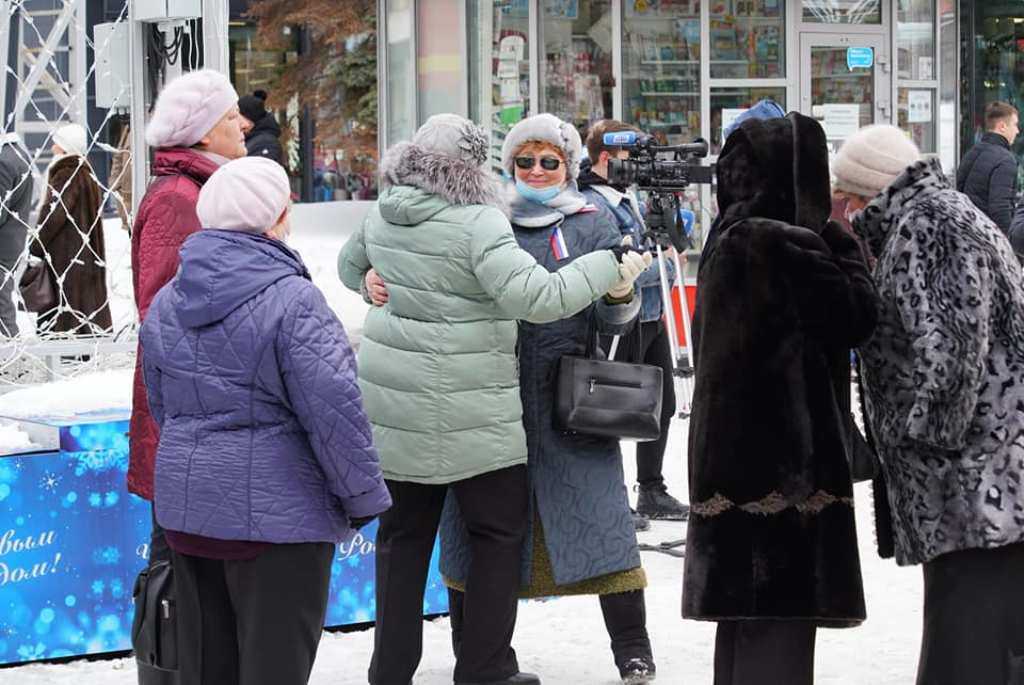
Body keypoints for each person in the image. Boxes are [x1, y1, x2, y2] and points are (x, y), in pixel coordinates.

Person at [337, 112, 647, 685]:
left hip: (398, 419)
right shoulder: (480, 222)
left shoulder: (383, 210)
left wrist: (369, 281)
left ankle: (391, 669)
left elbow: (348, 265)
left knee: (401, 544)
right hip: (475, 419)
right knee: (498, 537)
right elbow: (540, 296)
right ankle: (484, 669)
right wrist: (608, 265)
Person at [140, 156, 390, 684]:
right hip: (281, 527)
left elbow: (163, 406)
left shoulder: (167, 303)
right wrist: (363, 498)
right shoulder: (294, 300)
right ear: (278, 214)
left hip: (190, 517)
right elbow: (335, 410)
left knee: (209, 671)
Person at [440, 112, 656, 684]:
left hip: (571, 395)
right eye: (525, 161)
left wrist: (620, 292)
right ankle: (476, 647)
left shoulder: (592, 221)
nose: (536, 171)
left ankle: (632, 647)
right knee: (476, 528)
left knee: (602, 519)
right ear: (509, 166)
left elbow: (617, 316)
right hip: (491, 393)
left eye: (549, 161)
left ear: (569, 167)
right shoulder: (484, 221)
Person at [684, 112, 877, 685]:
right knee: (782, 619)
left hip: (729, 463)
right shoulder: (789, 243)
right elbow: (857, 316)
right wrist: (842, 241)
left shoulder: (726, 237)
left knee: (743, 620)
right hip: (788, 470)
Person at [833, 124, 1024, 685]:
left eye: (850, 196)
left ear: (874, 190)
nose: (845, 208)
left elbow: (954, 350)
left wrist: (923, 445)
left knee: (966, 634)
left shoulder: (930, 224)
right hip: (986, 472)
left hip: (971, 480)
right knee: (986, 630)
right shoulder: (939, 214)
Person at [128, 68, 247, 681]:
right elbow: (162, 315)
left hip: (197, 412)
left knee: (191, 560)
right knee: (175, 564)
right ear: (202, 132)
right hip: (182, 415)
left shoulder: (205, 188)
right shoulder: (180, 198)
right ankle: (169, 671)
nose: (244, 125)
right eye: (230, 118)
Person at [578, 118, 688, 524]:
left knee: (661, 404)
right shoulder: (595, 202)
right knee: (614, 408)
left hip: (651, 314)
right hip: (621, 317)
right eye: (631, 156)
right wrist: (663, 267)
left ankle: (652, 488)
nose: (640, 165)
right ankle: (611, 493)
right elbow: (615, 263)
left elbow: (658, 250)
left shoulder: (627, 198)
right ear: (608, 158)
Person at [30, 123, 112, 336]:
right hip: (83, 251)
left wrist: (37, 244)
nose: (52, 145)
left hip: (67, 253)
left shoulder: (66, 172)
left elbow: (54, 213)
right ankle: (86, 342)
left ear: (65, 146)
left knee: (66, 303)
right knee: (83, 303)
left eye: (57, 141)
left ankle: (67, 348)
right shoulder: (85, 170)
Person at [956, 100, 1020, 233]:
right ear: (1002, 126)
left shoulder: (972, 152)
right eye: (1015, 125)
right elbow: (1000, 209)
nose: (1017, 131)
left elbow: (959, 191)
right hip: (989, 237)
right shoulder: (1005, 160)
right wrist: (1007, 245)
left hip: (966, 232)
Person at [0, 132, 33, 336]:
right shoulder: (17, 153)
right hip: (12, 239)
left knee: (2, 307)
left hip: (3, 242)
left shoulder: (3, 160)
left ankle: (10, 354)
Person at [238, 90, 284, 166]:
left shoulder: (266, 143)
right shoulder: (253, 139)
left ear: (249, 119)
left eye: (238, 117)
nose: (236, 122)